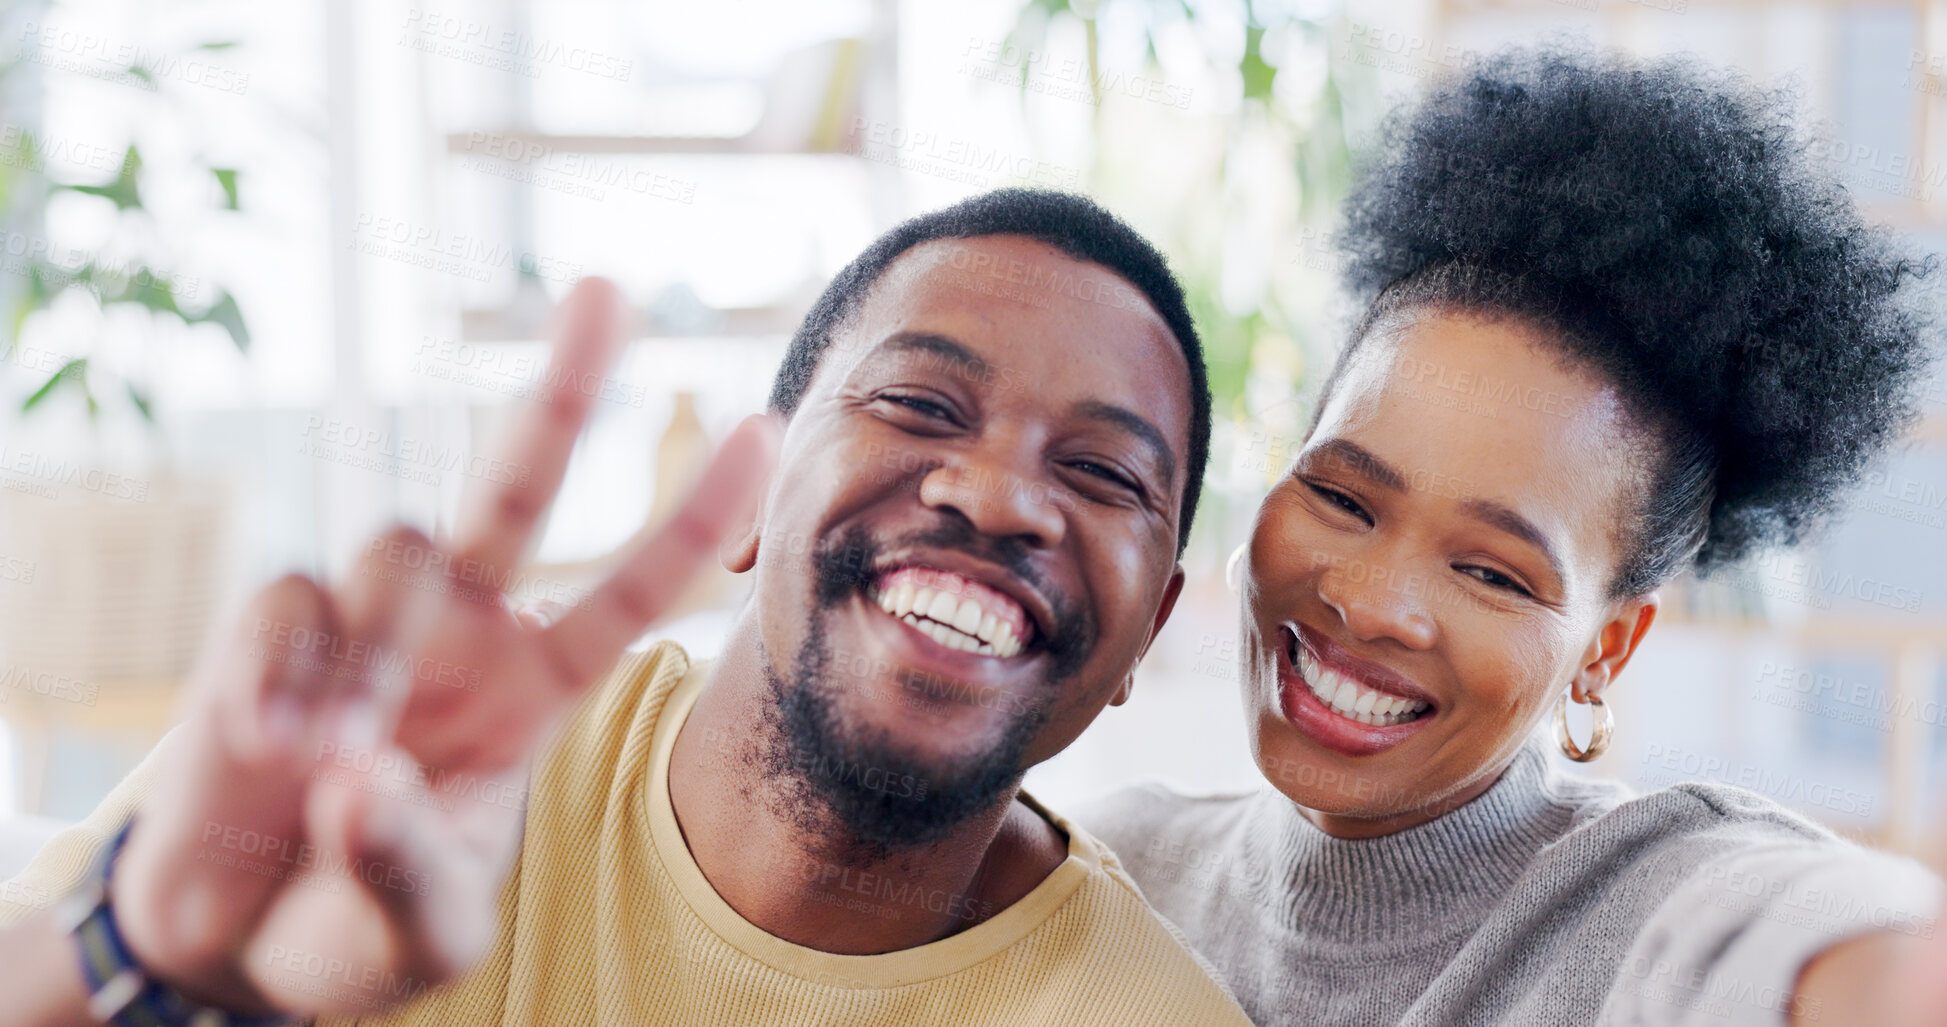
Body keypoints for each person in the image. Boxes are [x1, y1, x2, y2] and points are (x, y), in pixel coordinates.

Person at [0, 190, 1252, 1026]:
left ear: (1151, 632)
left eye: (1101, 474)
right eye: (921, 403)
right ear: (755, 492)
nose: (995, 497)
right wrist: (148, 959)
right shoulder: (418, 759)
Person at [1081, 46, 1945, 1026]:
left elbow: (1841, 945)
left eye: (1492, 571)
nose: (1372, 602)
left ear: (1606, 647)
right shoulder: (1101, 872)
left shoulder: (1657, 908)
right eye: (1344, 498)